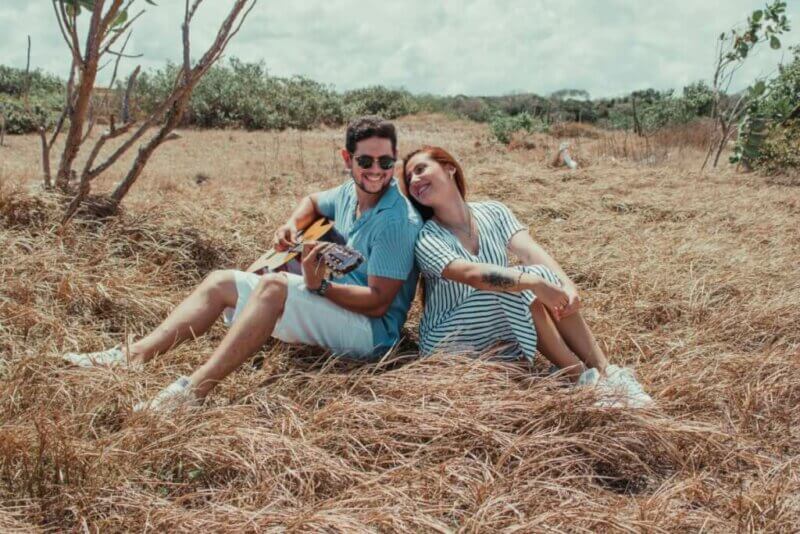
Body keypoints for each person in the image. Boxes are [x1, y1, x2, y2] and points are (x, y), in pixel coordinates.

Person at [64, 116, 422, 411]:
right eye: (365, 161)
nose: (376, 170)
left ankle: (191, 394)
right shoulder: (349, 192)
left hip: (371, 334)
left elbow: (378, 304)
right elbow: (312, 201)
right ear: (347, 159)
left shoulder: (396, 221)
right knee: (221, 281)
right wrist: (291, 225)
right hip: (334, 300)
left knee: (273, 287)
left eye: (386, 162)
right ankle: (133, 355)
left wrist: (321, 287)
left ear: (395, 161)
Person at [401, 146, 652, 407]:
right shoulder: (427, 237)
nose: (415, 181)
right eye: (409, 180)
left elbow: (531, 252)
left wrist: (565, 285)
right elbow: (473, 275)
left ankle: (607, 371)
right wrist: (533, 282)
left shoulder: (493, 211)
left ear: (449, 167)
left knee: (538, 273)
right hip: (449, 340)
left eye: (420, 169)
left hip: (496, 325)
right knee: (519, 281)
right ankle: (583, 380)